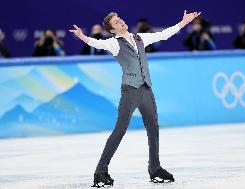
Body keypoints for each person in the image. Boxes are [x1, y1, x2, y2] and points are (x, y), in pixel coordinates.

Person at [69, 10, 201, 188]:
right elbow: (96, 44)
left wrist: (184, 22)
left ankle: (155, 169)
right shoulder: (114, 44)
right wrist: (82, 36)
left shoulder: (139, 38)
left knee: (153, 128)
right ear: (112, 30)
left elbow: (163, 34)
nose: (120, 22)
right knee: (120, 130)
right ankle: (100, 171)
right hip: (130, 90)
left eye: (120, 19)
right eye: (116, 22)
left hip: (146, 90)